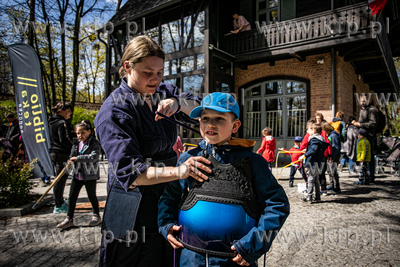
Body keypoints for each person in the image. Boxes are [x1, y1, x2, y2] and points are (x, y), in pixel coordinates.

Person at [94, 35, 209, 267]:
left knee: (168, 256)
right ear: (127, 66)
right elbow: (134, 173)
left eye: (159, 72)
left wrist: (178, 103)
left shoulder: (165, 90)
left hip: (166, 197)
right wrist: (181, 171)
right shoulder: (114, 112)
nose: (155, 79)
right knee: (129, 259)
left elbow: (203, 109)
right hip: (131, 203)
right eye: (148, 72)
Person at [158, 92, 290, 267]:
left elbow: (277, 204)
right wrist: (166, 224)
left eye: (220, 118)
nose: (211, 124)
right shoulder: (188, 159)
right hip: (190, 257)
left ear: (235, 126)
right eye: (205, 118)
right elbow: (170, 195)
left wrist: (254, 244)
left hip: (234, 259)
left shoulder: (253, 163)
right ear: (199, 123)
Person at [56, 120, 102, 230]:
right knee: (72, 197)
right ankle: (69, 218)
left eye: (82, 132)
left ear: (89, 132)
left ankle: (96, 215)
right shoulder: (76, 143)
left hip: (89, 175)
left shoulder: (94, 143)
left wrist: (78, 158)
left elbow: (94, 157)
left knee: (92, 196)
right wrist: (70, 162)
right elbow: (72, 156)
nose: (80, 135)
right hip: (77, 175)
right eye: (78, 133)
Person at [49, 102, 74, 214]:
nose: (70, 113)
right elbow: (63, 139)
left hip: (54, 152)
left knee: (59, 178)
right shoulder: (61, 123)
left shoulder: (52, 123)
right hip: (61, 153)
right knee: (60, 179)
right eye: (68, 111)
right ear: (61, 111)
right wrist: (74, 149)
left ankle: (59, 200)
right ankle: (58, 205)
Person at [299, 123, 329, 203]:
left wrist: (304, 155)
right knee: (316, 180)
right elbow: (317, 149)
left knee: (311, 180)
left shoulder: (314, 139)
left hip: (314, 163)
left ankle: (309, 197)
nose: (308, 131)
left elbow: (314, 150)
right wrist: (307, 150)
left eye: (309, 129)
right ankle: (317, 197)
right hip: (320, 162)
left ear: (314, 130)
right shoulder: (320, 139)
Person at [352, 96, 379, 183]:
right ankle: (363, 177)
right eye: (361, 101)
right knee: (361, 156)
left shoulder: (372, 110)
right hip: (361, 136)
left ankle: (370, 176)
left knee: (369, 156)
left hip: (369, 136)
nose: (362, 103)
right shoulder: (363, 110)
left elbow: (373, 123)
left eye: (364, 101)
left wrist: (359, 124)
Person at [322, 122, 341, 193]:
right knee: (329, 171)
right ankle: (331, 184)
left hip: (334, 156)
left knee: (333, 171)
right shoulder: (329, 135)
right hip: (329, 156)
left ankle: (336, 186)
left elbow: (336, 147)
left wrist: (332, 156)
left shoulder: (333, 136)